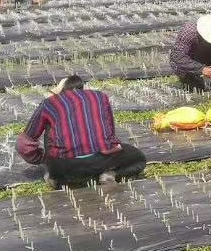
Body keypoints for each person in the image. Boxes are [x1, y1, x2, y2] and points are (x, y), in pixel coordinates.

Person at [18, 75, 147, 190]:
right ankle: (108, 174)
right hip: (101, 161)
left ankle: (55, 177)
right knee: (138, 159)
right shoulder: (100, 97)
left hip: (63, 166)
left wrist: (43, 159)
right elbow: (110, 136)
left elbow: (23, 145)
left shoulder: (49, 103)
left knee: (50, 127)